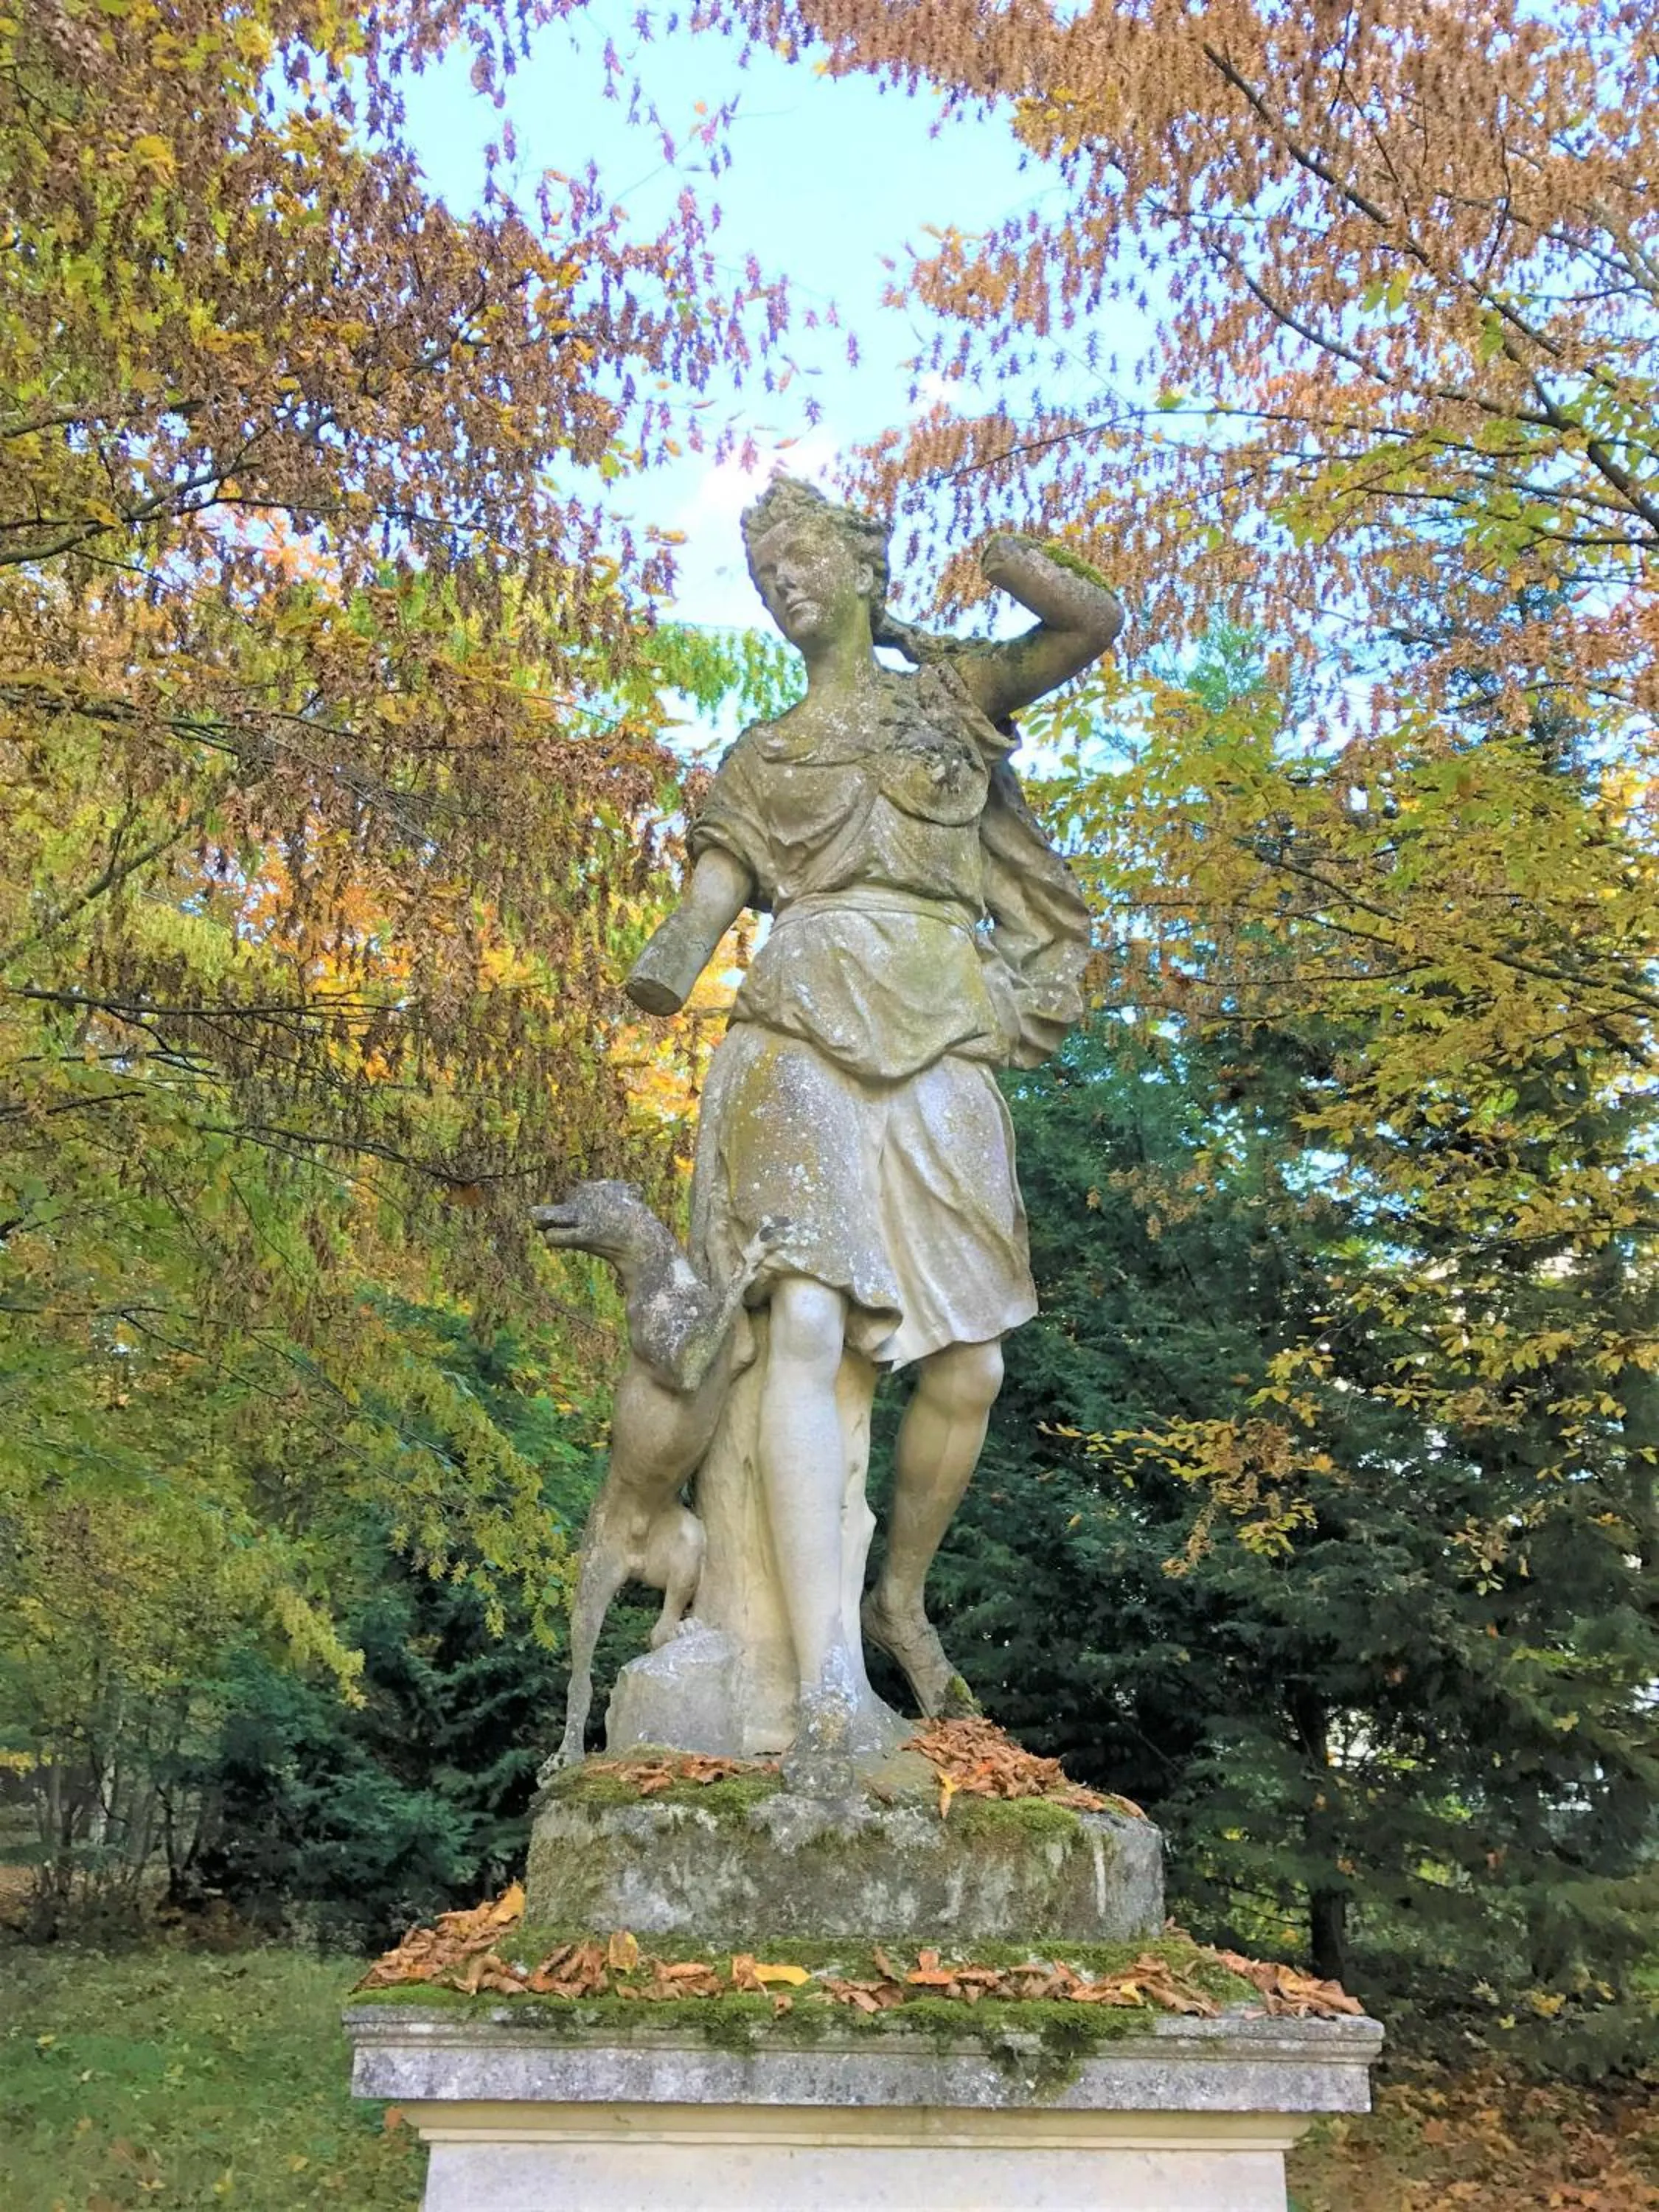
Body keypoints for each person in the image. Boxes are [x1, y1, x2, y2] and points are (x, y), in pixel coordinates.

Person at [627, 477, 1122, 1789]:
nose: (784, 586)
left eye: (802, 561)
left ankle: (898, 1594)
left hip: (939, 1022)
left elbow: (1085, 622)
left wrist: (1000, 559)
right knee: (802, 1324)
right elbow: (718, 887)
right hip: (796, 1026)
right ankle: (831, 1685)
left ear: (857, 567)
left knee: (969, 1368)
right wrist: (683, 939)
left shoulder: (947, 696)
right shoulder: (763, 753)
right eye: (764, 573)